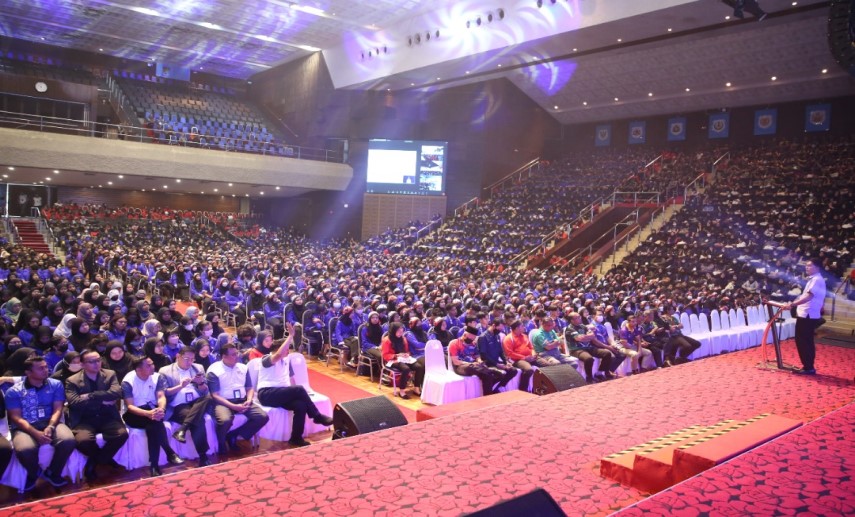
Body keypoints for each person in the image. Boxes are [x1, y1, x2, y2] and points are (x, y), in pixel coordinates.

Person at [256, 325, 334, 447]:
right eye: (286, 348)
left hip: (282, 393)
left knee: (300, 405)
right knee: (299, 389)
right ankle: (317, 416)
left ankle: (296, 438)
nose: (288, 351)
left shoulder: (287, 361)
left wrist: (300, 395)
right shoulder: (266, 359)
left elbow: (291, 381)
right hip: (266, 394)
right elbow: (278, 355)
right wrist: (290, 336)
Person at [5, 356, 76, 490]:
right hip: (24, 426)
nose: (46, 370)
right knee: (25, 449)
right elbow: (16, 417)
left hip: (51, 421)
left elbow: (58, 409)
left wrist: (51, 426)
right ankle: (34, 474)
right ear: (28, 372)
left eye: (46, 367)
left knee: (68, 440)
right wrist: (35, 433)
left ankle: (52, 472)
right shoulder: (14, 391)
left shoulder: (55, 384)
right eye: (40, 368)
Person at [65, 350, 129, 481]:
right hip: (84, 419)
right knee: (83, 441)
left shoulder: (109, 374)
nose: (97, 364)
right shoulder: (72, 381)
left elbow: (116, 393)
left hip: (107, 416)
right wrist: (103, 400)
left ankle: (95, 462)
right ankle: (106, 459)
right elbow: (75, 402)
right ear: (82, 364)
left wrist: (91, 395)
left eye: (98, 360)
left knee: (122, 434)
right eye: (92, 361)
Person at [121, 356, 184, 477]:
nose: (153, 367)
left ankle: (154, 465)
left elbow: (161, 397)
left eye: (152, 364)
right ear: (138, 369)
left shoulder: (157, 377)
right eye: (148, 365)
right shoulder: (128, 381)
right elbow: (130, 406)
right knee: (155, 423)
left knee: (153, 425)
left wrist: (161, 409)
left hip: (153, 410)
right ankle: (169, 452)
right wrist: (148, 414)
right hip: (134, 413)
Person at [207, 342, 269, 453]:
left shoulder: (243, 367)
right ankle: (221, 443)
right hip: (223, 402)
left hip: (242, 400)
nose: (237, 356)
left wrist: (249, 400)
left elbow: (249, 388)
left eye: (237, 353)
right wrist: (233, 406)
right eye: (233, 354)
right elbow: (215, 395)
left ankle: (234, 435)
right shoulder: (214, 370)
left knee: (262, 417)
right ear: (224, 356)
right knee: (225, 420)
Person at [159, 346, 213, 466]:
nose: (189, 362)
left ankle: (182, 429)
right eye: (186, 359)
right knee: (198, 420)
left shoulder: (198, 368)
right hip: (179, 404)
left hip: (196, 401)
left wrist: (201, 383)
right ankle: (203, 456)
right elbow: (165, 393)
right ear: (178, 356)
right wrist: (181, 386)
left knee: (208, 398)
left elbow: (205, 390)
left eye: (192, 359)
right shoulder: (165, 371)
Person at [785, 258, 826, 375]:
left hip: (807, 314)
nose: (806, 267)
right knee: (807, 341)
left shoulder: (816, 280)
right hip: (808, 314)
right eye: (806, 265)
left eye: (809, 266)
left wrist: (792, 304)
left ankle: (808, 367)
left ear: (817, 267)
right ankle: (808, 366)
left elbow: (808, 297)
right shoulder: (815, 279)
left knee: (803, 341)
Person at [448, 326, 511, 396]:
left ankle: (490, 390)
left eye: (473, 338)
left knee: (499, 374)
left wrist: (479, 361)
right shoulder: (455, 343)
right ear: (465, 335)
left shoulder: (473, 344)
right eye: (470, 338)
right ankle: (488, 394)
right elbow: (456, 362)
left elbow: (477, 356)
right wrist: (470, 363)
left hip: (474, 365)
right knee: (474, 368)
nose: (471, 340)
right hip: (460, 366)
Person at [565, 312, 618, 383]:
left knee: (607, 353)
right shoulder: (569, 329)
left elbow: (592, 335)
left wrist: (585, 337)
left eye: (579, 317)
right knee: (588, 358)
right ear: (572, 320)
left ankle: (600, 373)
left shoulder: (583, 326)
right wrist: (587, 337)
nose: (580, 318)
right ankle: (589, 378)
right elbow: (579, 338)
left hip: (588, 347)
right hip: (576, 350)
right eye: (577, 318)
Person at [380, 321, 426, 399]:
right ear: (393, 330)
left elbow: (407, 351)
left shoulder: (403, 339)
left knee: (419, 367)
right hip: (392, 360)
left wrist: (407, 354)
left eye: (401, 331)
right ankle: (402, 391)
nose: (400, 333)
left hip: (403, 359)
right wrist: (396, 355)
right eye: (398, 331)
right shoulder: (386, 340)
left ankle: (416, 388)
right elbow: (385, 355)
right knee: (406, 369)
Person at [476, 317, 520, 390]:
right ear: (493, 326)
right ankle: (491, 389)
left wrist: (506, 362)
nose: (500, 331)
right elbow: (484, 355)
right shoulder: (483, 337)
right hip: (488, 363)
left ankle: (498, 387)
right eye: (499, 329)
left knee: (513, 370)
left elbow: (500, 351)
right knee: (500, 373)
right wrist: (497, 365)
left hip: (497, 361)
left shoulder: (497, 336)